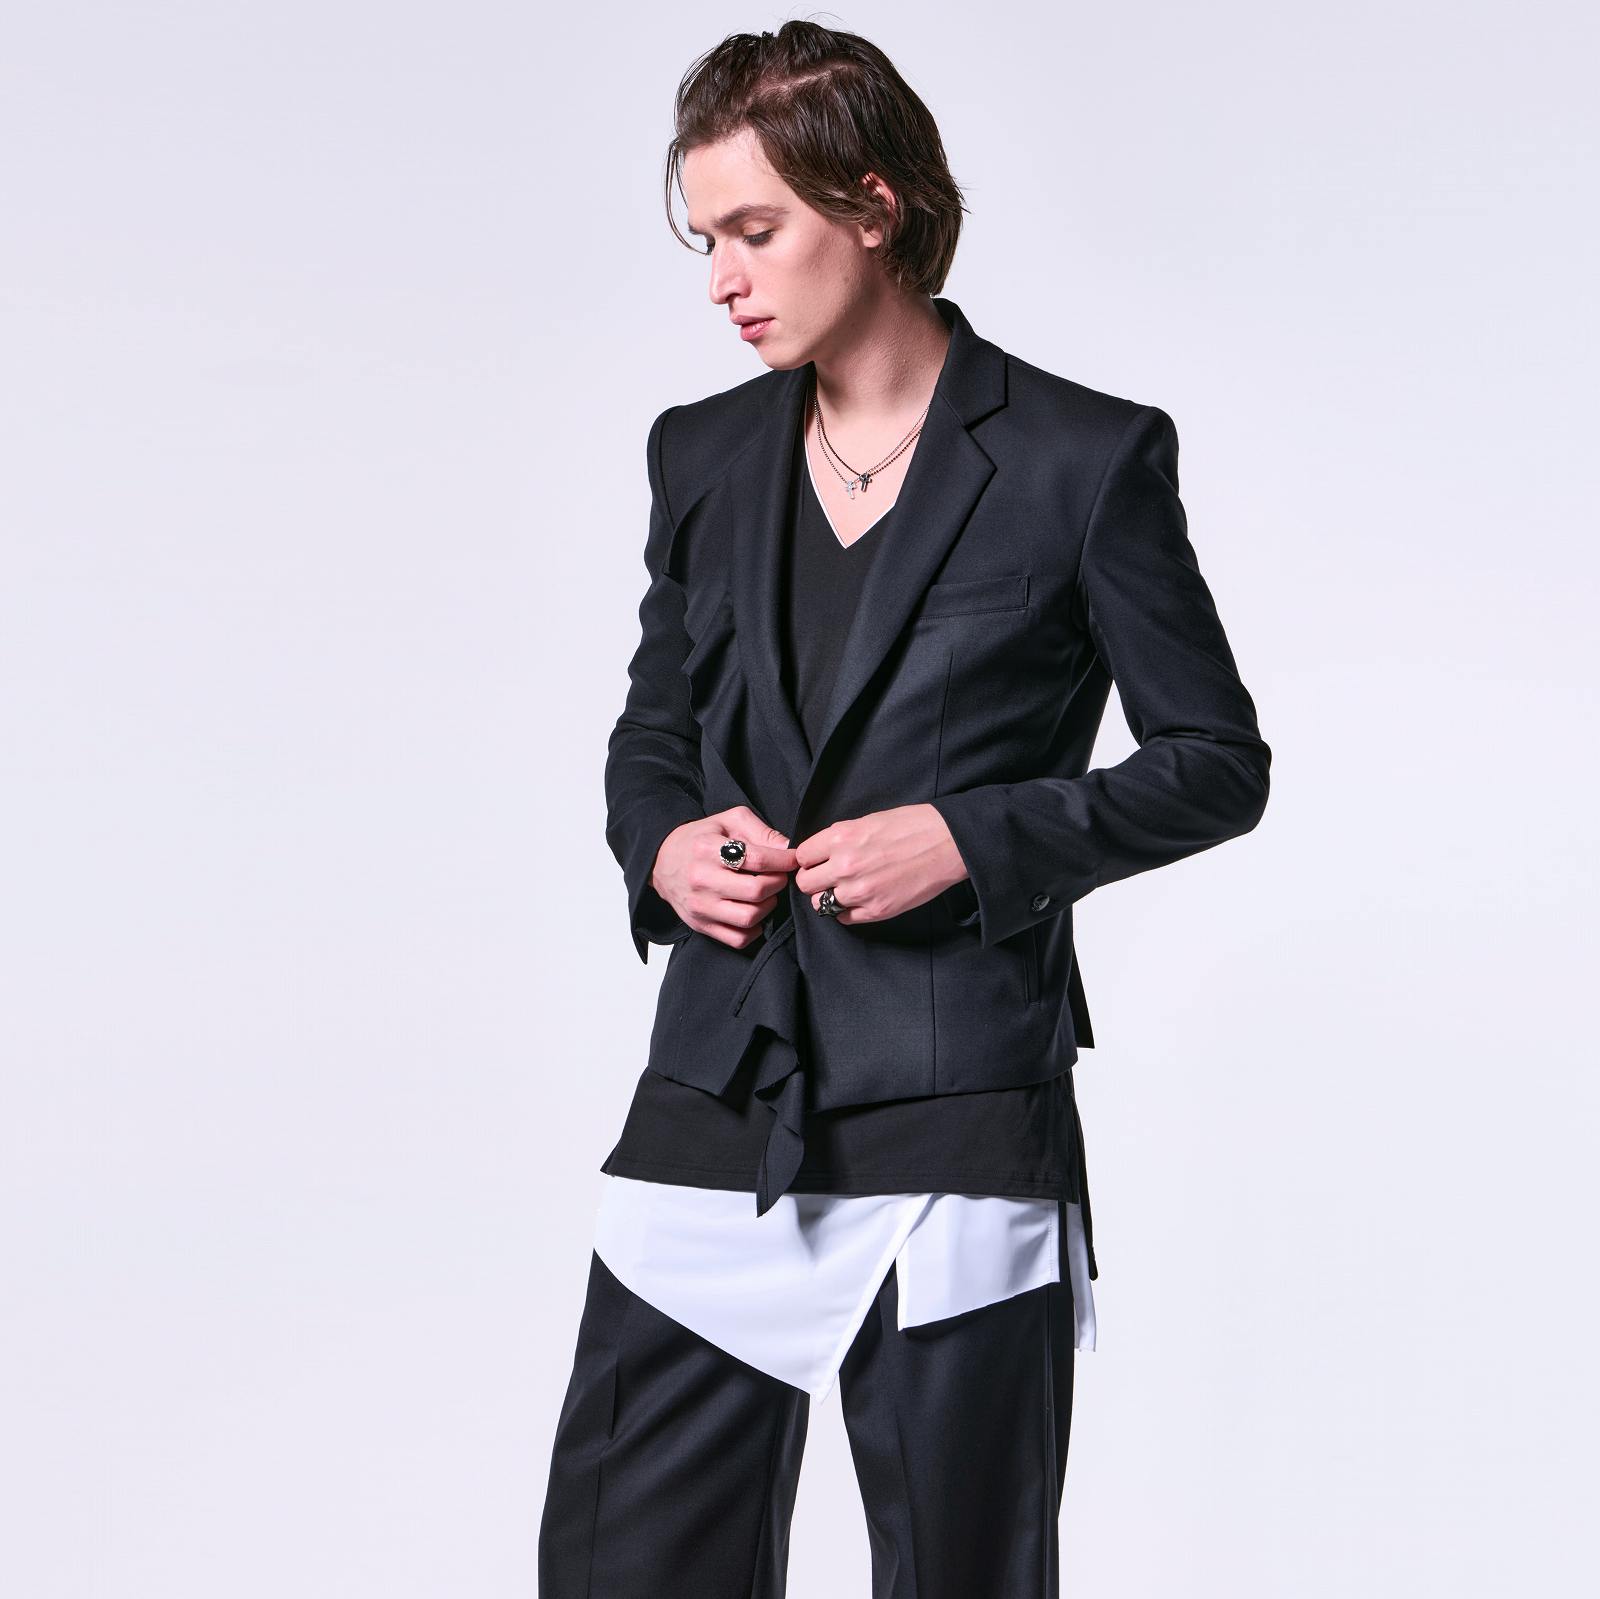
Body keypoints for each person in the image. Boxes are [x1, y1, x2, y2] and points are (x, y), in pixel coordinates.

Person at [538, 21, 1270, 1599]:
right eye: (707, 239)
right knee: (618, 1562)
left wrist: (974, 838)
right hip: (723, 1076)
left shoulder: (1082, 458)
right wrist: (663, 846)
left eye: (755, 230)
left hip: (959, 1101)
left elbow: (1217, 759)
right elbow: (656, 730)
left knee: (961, 1572)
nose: (723, 279)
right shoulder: (701, 455)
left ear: (871, 206)